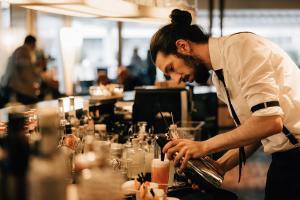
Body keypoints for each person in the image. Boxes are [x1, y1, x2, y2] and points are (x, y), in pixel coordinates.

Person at [150, 9, 300, 200]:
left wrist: (204, 146)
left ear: (183, 46)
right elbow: (253, 131)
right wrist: (219, 167)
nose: (176, 79)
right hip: (285, 160)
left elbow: (270, 121)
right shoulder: (219, 78)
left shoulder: (242, 48)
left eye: (171, 68)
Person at [0, 35, 41, 106]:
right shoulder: (23, 50)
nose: (35, 47)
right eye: (34, 45)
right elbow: (26, 69)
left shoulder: (20, 50)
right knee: (32, 103)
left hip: (10, 86)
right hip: (12, 88)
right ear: (32, 43)